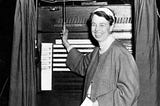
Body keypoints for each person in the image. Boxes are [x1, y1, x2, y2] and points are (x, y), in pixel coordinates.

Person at [61, 7, 140, 106]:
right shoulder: (97, 51)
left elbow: (129, 93)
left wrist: (98, 103)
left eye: (102, 25)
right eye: (94, 24)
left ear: (111, 27)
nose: (97, 29)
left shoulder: (121, 53)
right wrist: (66, 43)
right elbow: (81, 64)